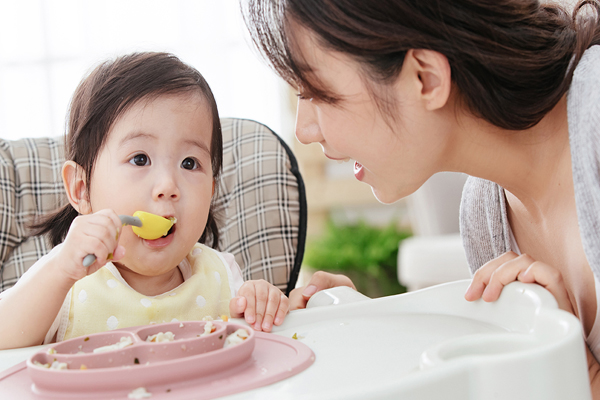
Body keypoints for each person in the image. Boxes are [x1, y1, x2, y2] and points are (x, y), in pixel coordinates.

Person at [242, 0, 600, 395]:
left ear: (426, 79)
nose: (304, 131)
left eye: (316, 93)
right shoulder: (485, 215)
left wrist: (579, 367)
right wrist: (380, 323)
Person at [0, 52, 289, 350]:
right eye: (140, 159)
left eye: (189, 163)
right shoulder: (65, 282)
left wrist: (262, 305)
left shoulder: (223, 278)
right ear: (81, 189)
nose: (167, 186)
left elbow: (260, 347)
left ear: (212, 190)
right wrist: (60, 272)